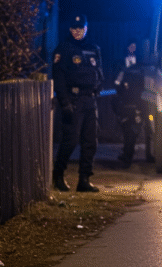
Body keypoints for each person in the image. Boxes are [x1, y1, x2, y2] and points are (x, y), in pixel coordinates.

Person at [52, 14, 104, 193]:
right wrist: (64, 102)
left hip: (90, 99)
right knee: (70, 141)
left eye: (80, 28)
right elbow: (58, 77)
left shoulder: (93, 48)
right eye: (74, 28)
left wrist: (97, 89)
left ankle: (84, 180)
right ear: (69, 29)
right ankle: (58, 176)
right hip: (73, 100)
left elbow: (99, 72)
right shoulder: (64, 48)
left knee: (91, 141)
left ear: (86, 28)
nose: (76, 31)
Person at [112, 38, 146, 167]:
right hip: (125, 101)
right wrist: (122, 86)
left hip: (139, 101)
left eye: (134, 46)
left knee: (134, 130)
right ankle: (127, 154)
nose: (132, 48)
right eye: (130, 46)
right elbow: (116, 81)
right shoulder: (120, 63)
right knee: (127, 130)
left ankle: (128, 155)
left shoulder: (141, 64)